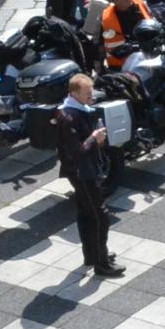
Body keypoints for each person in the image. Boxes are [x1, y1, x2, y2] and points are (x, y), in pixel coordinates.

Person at [55, 74, 122, 277]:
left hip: (82, 169)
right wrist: (94, 138)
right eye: (87, 93)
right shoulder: (69, 117)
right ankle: (102, 263)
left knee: (85, 212)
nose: (91, 96)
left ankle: (92, 255)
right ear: (74, 93)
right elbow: (78, 151)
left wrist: (95, 140)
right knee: (100, 215)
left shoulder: (76, 110)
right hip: (81, 172)